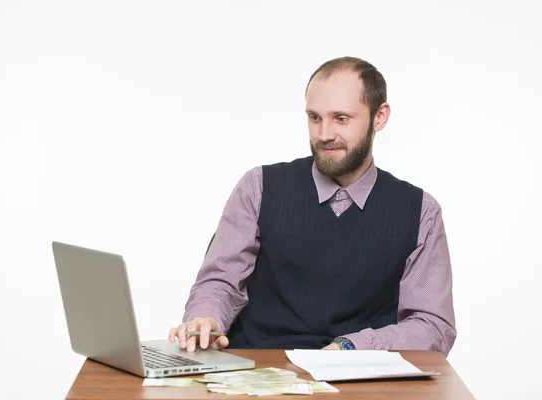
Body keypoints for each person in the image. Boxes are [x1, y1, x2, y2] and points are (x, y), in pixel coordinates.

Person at [168, 56, 456, 355]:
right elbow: (221, 281)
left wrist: (352, 347)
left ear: (379, 116)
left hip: (361, 378)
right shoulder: (259, 187)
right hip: (259, 371)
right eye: (314, 118)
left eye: (341, 119)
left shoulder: (420, 211)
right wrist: (206, 321)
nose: (324, 134)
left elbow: (433, 326)